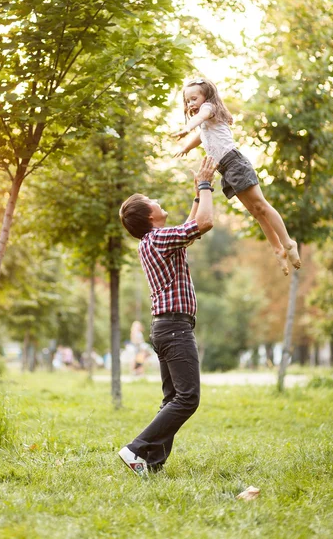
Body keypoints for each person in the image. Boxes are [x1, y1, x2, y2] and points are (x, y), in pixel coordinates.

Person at [118, 155, 217, 477]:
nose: (157, 201)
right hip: (174, 328)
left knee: (173, 397)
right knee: (188, 398)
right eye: (152, 200)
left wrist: (196, 195)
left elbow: (190, 231)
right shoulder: (158, 239)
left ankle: (151, 463)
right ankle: (136, 449)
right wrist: (205, 185)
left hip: (166, 327)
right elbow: (204, 224)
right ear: (149, 214)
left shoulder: (155, 241)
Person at [171, 77, 300, 276]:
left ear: (206, 96)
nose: (191, 104)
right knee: (256, 212)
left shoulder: (209, 108)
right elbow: (201, 135)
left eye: (194, 98)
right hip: (225, 169)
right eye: (187, 101)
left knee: (262, 205)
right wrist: (187, 146)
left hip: (234, 163)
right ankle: (277, 249)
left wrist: (188, 127)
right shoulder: (205, 123)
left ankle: (288, 242)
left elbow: (200, 117)